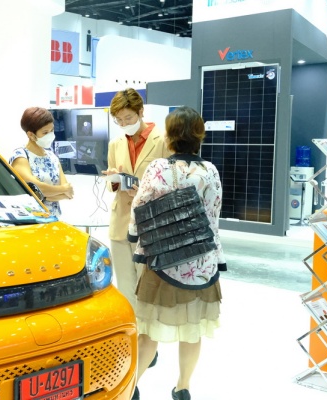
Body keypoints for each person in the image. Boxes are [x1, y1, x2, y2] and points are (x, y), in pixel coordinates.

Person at [129, 106, 226, 400]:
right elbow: (212, 217)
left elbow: (139, 206)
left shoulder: (158, 168)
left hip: (163, 261)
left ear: (169, 137)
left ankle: (132, 387)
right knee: (193, 332)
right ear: (200, 136)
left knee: (149, 332)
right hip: (201, 264)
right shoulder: (210, 170)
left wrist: (133, 236)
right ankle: (183, 387)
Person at [102, 88, 171, 309]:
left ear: (141, 112)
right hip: (121, 220)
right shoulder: (115, 143)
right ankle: (132, 328)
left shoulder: (163, 140)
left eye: (128, 118)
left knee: (148, 285)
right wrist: (114, 179)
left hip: (151, 222)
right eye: (118, 120)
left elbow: (173, 182)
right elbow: (110, 184)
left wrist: (144, 190)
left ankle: (148, 331)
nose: (123, 124)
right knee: (125, 285)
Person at [9, 107, 73, 217]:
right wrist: (62, 189)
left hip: (54, 218)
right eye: (45, 132)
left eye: (52, 130)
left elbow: (68, 194)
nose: (50, 135)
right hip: (31, 219)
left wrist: (44, 195)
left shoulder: (52, 157)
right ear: (31, 135)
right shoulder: (20, 156)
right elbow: (34, 189)